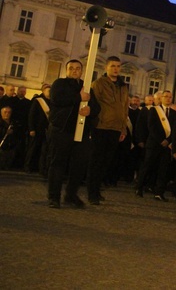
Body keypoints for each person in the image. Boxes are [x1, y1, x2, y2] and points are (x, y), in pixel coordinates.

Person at [47, 60, 100, 209]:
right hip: (62, 130)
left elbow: (96, 107)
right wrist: (79, 98)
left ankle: (71, 195)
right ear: (66, 70)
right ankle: (54, 197)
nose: (74, 71)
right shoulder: (59, 84)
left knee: (79, 165)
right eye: (71, 68)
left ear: (81, 71)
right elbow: (57, 99)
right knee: (58, 164)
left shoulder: (87, 86)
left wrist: (90, 111)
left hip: (81, 131)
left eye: (77, 68)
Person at [87, 56, 129, 205]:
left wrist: (123, 128)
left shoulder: (123, 86)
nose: (116, 69)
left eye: (118, 66)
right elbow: (94, 105)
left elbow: (125, 108)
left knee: (106, 162)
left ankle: (97, 190)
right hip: (101, 127)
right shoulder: (98, 84)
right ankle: (91, 192)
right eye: (113, 66)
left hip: (116, 128)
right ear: (106, 67)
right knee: (96, 162)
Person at [135, 90, 176, 202]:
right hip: (154, 143)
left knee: (163, 169)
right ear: (161, 98)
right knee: (147, 166)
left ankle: (159, 192)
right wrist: (160, 140)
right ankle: (139, 187)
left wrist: (168, 140)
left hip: (166, 146)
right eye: (166, 96)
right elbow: (151, 126)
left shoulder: (174, 113)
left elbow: (174, 130)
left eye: (170, 97)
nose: (168, 98)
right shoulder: (154, 110)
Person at [25, 84, 51, 176]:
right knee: (33, 149)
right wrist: (31, 128)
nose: (50, 92)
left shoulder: (53, 101)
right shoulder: (38, 101)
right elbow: (31, 116)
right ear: (43, 91)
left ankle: (42, 169)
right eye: (48, 90)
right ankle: (28, 167)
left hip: (47, 130)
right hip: (37, 129)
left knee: (44, 151)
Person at [0, 105, 17, 170]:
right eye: (5, 112)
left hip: (11, 146)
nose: (7, 114)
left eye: (9, 112)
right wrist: (5, 131)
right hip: (2, 146)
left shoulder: (13, 122)